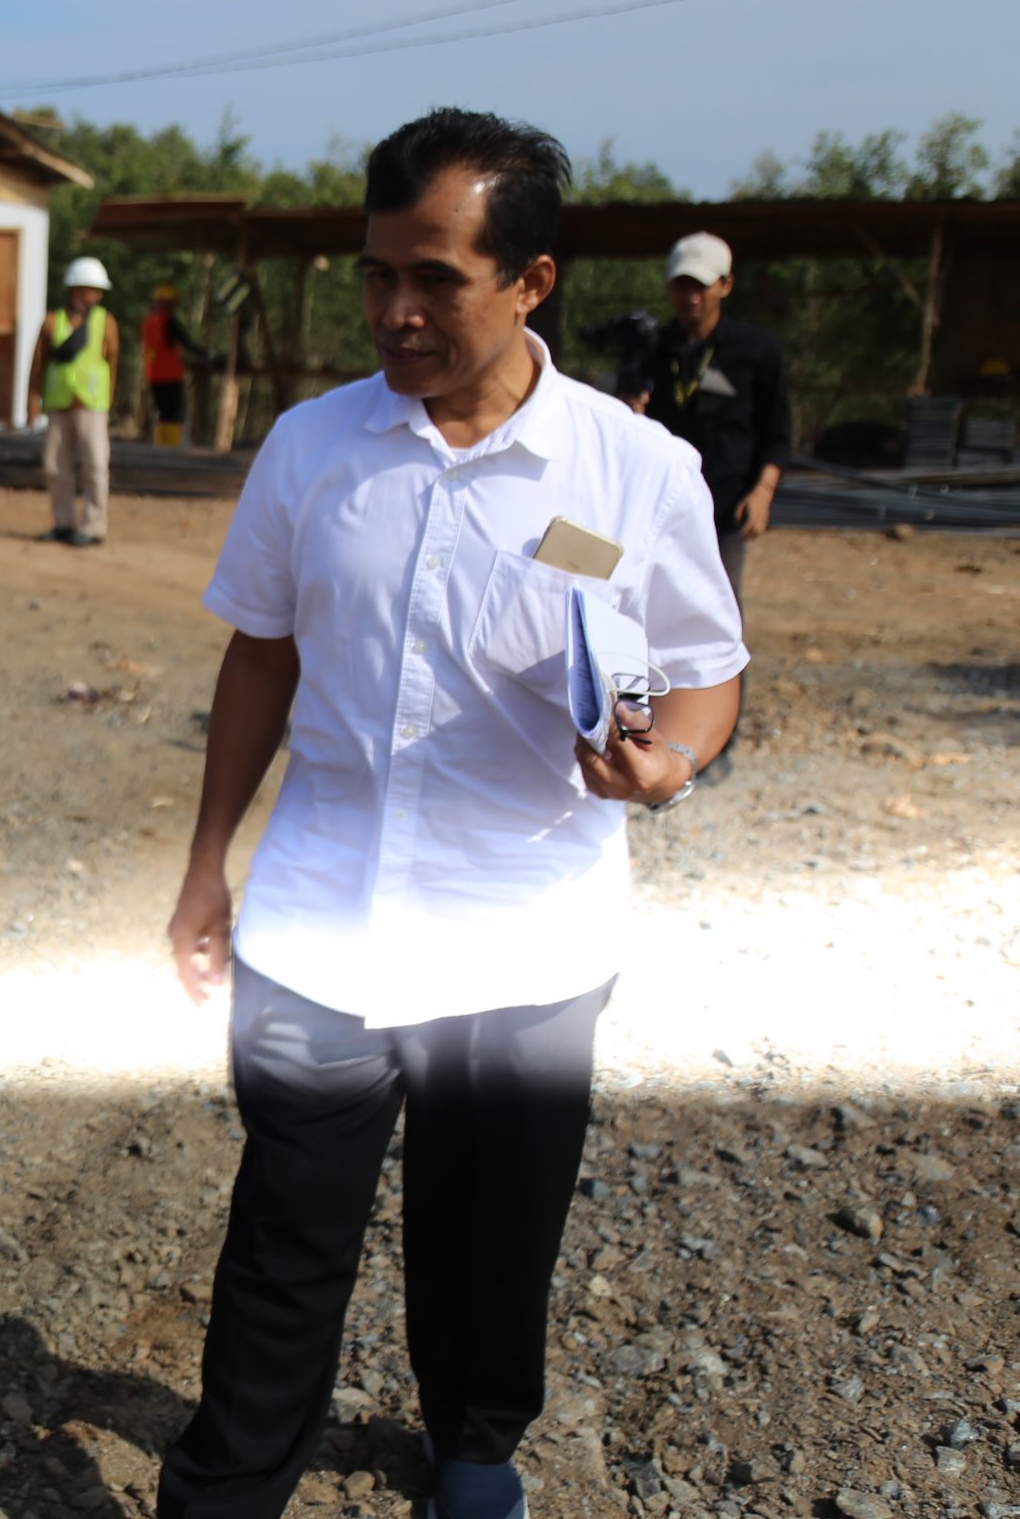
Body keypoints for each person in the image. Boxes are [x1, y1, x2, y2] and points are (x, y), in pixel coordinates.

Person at [158, 109, 746, 1519]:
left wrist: (674, 762)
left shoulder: (628, 472)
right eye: (375, 275)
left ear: (530, 280)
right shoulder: (315, 450)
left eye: (434, 278)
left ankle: (474, 1442)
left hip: (525, 930)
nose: (396, 311)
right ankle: (227, 1487)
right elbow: (261, 652)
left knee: (491, 1226)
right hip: (324, 906)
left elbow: (708, 668)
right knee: (287, 1228)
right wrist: (205, 865)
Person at [632, 231, 788, 777]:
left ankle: (718, 743)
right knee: (646, 616)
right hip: (656, 509)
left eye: (700, 286)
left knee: (716, 622)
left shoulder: (755, 351)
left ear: (725, 286)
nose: (690, 298)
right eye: (680, 286)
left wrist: (763, 491)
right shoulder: (652, 350)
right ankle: (649, 735)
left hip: (724, 508)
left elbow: (777, 431)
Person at [32, 256, 118, 545]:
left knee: (95, 466)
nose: (98, 295)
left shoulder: (105, 322)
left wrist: (108, 400)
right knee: (56, 468)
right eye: (92, 289)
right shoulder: (52, 322)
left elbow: (112, 361)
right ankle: (64, 523)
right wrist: (33, 402)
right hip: (59, 406)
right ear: (76, 289)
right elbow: (39, 364)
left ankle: (94, 526)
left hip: (92, 407)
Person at [142, 282, 206, 448]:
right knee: (174, 412)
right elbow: (186, 342)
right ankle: (171, 448)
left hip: (153, 374)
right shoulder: (169, 322)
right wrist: (206, 354)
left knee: (162, 412)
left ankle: (161, 446)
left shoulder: (148, 322)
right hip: (170, 375)